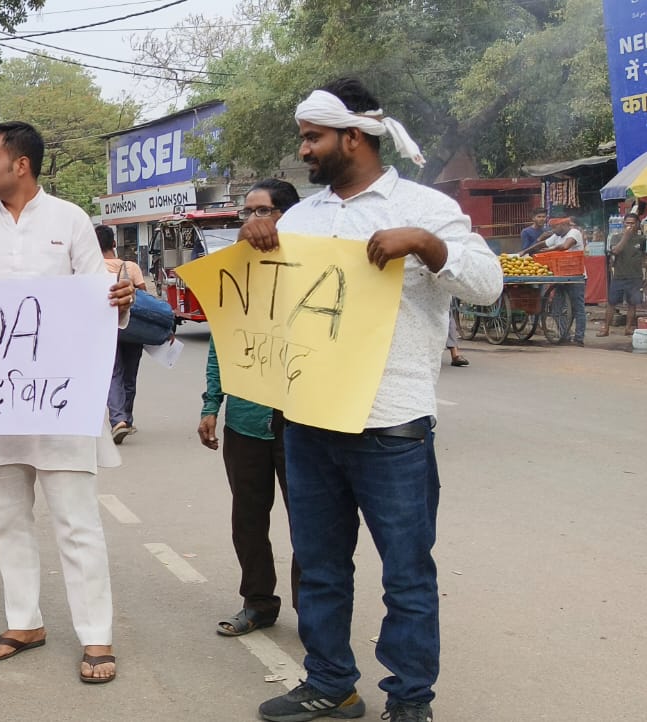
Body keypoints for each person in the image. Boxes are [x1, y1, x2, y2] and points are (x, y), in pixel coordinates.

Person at [242, 79, 501, 722]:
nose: (303, 150)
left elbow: (489, 286)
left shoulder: (424, 206)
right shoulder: (299, 219)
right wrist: (254, 246)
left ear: (352, 137)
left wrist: (427, 245)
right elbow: (269, 311)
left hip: (391, 425)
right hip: (309, 422)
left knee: (406, 575)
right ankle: (331, 683)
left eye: (313, 137)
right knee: (322, 566)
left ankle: (410, 701)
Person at [0, 120, 135, 685]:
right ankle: (23, 621)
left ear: (19, 164)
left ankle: (96, 635)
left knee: (76, 521)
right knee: (6, 518)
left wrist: (119, 300)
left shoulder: (70, 220)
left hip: (60, 400)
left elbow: (100, 303)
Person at [200, 179, 302, 639]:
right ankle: (258, 601)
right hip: (245, 421)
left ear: (288, 215)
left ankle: (315, 610)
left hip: (303, 423)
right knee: (248, 519)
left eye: (262, 211)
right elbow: (223, 340)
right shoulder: (235, 274)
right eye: (247, 212)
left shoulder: (312, 268)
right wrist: (211, 404)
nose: (251, 221)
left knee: (310, 523)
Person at [96, 224, 147, 443]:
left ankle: (118, 420)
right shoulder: (130, 266)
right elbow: (145, 298)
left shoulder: (93, 269)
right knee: (129, 375)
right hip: (133, 329)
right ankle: (127, 418)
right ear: (114, 244)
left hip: (106, 329)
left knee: (113, 373)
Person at [524, 216, 586, 345]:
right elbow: (542, 244)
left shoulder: (574, 232)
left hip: (576, 276)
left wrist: (547, 251)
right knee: (557, 309)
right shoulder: (556, 235)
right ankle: (565, 335)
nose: (553, 230)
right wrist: (526, 251)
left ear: (564, 225)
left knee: (578, 308)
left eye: (555, 227)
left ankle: (579, 338)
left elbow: (565, 246)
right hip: (560, 275)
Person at [600, 211, 644, 337]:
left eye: (632, 223)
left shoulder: (641, 239)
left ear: (637, 224)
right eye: (627, 223)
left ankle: (628, 328)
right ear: (623, 224)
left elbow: (644, 257)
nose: (629, 225)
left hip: (635, 276)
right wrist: (626, 236)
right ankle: (605, 328)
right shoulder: (616, 237)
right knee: (612, 303)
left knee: (633, 303)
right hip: (619, 276)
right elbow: (616, 251)